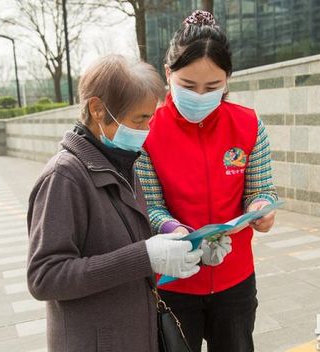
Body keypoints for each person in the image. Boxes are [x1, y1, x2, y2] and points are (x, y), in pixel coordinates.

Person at [26, 55, 203, 352]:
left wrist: (188, 246)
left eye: (150, 118)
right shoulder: (65, 177)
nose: (147, 129)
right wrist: (145, 256)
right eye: (139, 119)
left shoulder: (121, 164)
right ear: (97, 109)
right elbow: (45, 277)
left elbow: (134, 247)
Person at [136, 10, 279, 352]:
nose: (200, 95)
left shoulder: (248, 125)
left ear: (228, 80)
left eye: (212, 87)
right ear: (168, 74)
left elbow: (261, 189)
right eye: (187, 86)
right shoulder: (146, 131)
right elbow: (151, 205)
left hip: (236, 282)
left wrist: (261, 208)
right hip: (175, 283)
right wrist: (176, 230)